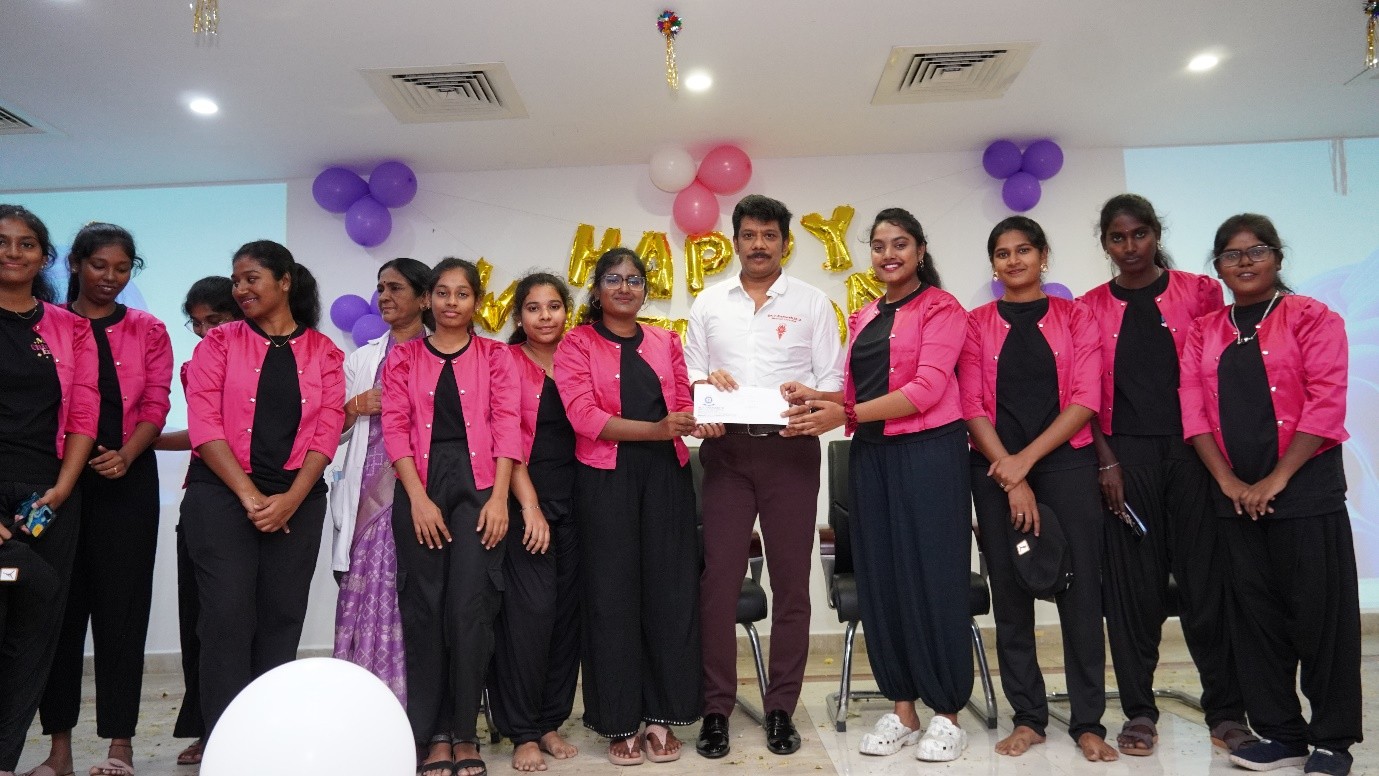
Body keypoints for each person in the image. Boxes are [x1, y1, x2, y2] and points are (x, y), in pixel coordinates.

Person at [782, 208, 972, 762]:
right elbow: (856, 393)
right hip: (872, 455)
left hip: (929, 454)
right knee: (881, 578)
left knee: (934, 577)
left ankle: (947, 713)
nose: (889, 254)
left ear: (920, 250)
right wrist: (816, 399)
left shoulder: (943, 308)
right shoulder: (865, 314)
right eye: (880, 245)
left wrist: (843, 414)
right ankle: (903, 709)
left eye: (900, 244)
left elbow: (927, 388)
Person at [1181, 214, 1360, 776]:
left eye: (1256, 250)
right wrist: (1229, 482)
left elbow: (1326, 402)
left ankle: (1332, 740)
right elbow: (1194, 413)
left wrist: (1276, 479)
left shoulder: (1312, 317)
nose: (1244, 262)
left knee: (1320, 618)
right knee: (1254, 619)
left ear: (1277, 257)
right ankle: (1281, 734)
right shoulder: (1204, 330)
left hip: (1305, 490)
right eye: (1231, 255)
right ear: (1218, 267)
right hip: (1234, 496)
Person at [1077, 194, 1251, 756]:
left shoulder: (1199, 292)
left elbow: (1214, 371)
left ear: (1156, 234)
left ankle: (1226, 711)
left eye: (1139, 234)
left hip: (1194, 452)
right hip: (1125, 461)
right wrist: (1105, 460)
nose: (1130, 247)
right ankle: (1139, 712)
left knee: (1206, 586)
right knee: (1134, 593)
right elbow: (1083, 393)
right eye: (1117, 237)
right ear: (1105, 243)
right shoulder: (1088, 307)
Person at [686, 194, 844, 758]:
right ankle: (715, 710)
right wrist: (707, 389)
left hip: (790, 451)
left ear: (784, 243)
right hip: (726, 454)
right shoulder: (708, 303)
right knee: (718, 584)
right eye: (749, 235)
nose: (759, 245)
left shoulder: (812, 303)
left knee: (792, 584)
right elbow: (691, 378)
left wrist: (811, 396)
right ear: (735, 241)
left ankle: (781, 708)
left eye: (769, 235)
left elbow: (834, 385)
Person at [958, 217, 1116, 762]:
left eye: (1024, 250)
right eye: (1002, 253)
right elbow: (971, 406)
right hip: (994, 470)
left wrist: (1022, 465)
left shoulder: (1077, 317)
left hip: (1065, 466)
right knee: (1010, 593)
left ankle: (1088, 721)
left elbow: (1086, 398)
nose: (1014, 260)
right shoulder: (976, 324)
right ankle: (1028, 718)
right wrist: (1009, 473)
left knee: (1081, 594)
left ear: (1043, 255)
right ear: (993, 264)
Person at [182, 241, 344, 740]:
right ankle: (225, 741)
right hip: (221, 496)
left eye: (251, 278)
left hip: (298, 500)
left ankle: (267, 739)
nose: (240, 289)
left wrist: (291, 499)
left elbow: (327, 432)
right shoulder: (218, 343)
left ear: (285, 281)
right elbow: (204, 425)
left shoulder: (325, 352)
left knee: (282, 618)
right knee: (226, 618)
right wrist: (250, 496)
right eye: (236, 281)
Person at [28, 223, 172, 776]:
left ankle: (120, 746)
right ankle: (59, 750)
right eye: (99, 266)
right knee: (57, 615)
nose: (110, 277)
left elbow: (155, 403)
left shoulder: (148, 328)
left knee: (123, 614)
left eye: (122, 268)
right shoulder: (48, 324)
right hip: (56, 483)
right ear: (74, 264)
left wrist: (129, 454)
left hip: (127, 483)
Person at [553, 247, 700, 766]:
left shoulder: (665, 340)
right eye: (613, 279)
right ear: (596, 290)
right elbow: (583, 417)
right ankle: (619, 720)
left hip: (666, 478)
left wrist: (705, 411)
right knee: (611, 598)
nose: (624, 288)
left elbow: (684, 402)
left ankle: (662, 717)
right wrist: (657, 429)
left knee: (669, 595)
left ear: (645, 289)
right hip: (604, 480)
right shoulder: (576, 343)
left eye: (634, 280)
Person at [381, 258, 520, 776]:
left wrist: (500, 499)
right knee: (424, 611)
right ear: (428, 299)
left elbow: (508, 427)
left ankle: (465, 734)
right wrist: (417, 498)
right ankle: (433, 734)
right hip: (420, 484)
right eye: (442, 292)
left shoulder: (496, 356)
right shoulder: (403, 358)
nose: (451, 303)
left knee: (470, 610)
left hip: (480, 485)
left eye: (462, 294)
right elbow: (395, 428)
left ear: (476, 302)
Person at [0, 205, 98, 776]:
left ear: (44, 257)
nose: (13, 253)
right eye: (2, 242)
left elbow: (84, 413)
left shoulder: (70, 327)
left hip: (48, 496)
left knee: (35, 632)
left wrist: (61, 490)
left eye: (26, 243)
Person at [488, 272, 581, 772]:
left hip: (581, 504)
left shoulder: (579, 357)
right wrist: (530, 506)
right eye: (533, 308)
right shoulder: (505, 361)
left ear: (567, 310)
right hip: (528, 506)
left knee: (567, 619)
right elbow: (507, 440)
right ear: (518, 315)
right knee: (529, 618)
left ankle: (549, 722)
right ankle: (521, 729)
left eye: (553, 306)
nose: (545, 316)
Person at [330, 258, 432, 706]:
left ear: (424, 298)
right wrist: (355, 406)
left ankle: (414, 703)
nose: (384, 297)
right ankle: (364, 702)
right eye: (381, 288)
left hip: (423, 490)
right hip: (368, 492)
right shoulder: (362, 358)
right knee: (368, 587)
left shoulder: (441, 352)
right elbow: (332, 430)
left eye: (395, 288)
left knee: (418, 595)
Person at [153, 276, 243, 766]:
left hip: (257, 495)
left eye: (217, 319)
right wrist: (146, 440)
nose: (207, 331)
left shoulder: (262, 358)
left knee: (239, 624)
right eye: (197, 323)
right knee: (199, 622)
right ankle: (208, 728)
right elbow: (203, 432)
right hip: (205, 498)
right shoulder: (195, 365)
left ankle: (245, 726)